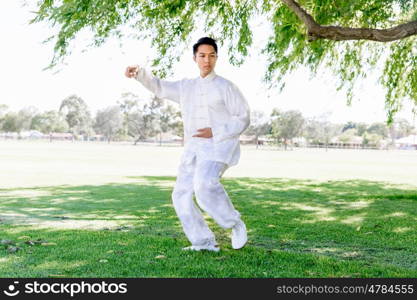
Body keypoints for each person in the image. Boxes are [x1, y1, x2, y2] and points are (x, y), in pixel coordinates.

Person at [125, 37, 250, 252]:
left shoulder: (226, 87)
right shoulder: (186, 87)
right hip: (193, 148)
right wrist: (140, 73)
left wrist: (217, 130)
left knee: (204, 185)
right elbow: (160, 87)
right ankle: (203, 242)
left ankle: (235, 223)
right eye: (202, 55)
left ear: (216, 58)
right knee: (180, 194)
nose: (207, 60)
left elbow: (243, 117)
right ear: (195, 58)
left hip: (218, 147)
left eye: (211, 56)